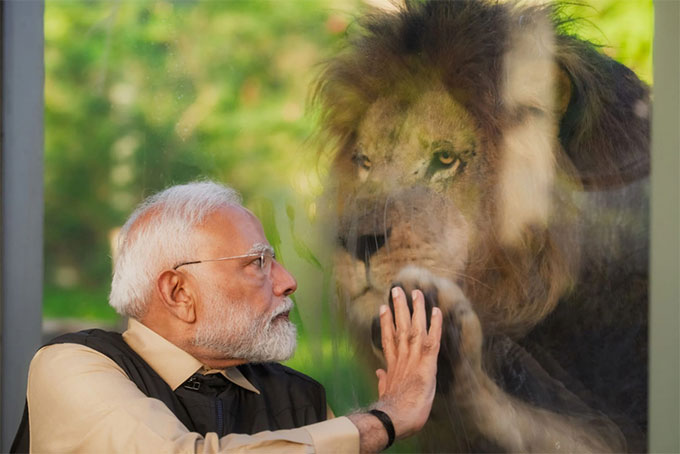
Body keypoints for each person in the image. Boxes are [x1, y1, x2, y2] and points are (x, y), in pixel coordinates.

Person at [14, 181, 442, 453]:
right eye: (257, 263)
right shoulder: (70, 365)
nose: (287, 281)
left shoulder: (298, 397)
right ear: (179, 293)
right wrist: (385, 420)